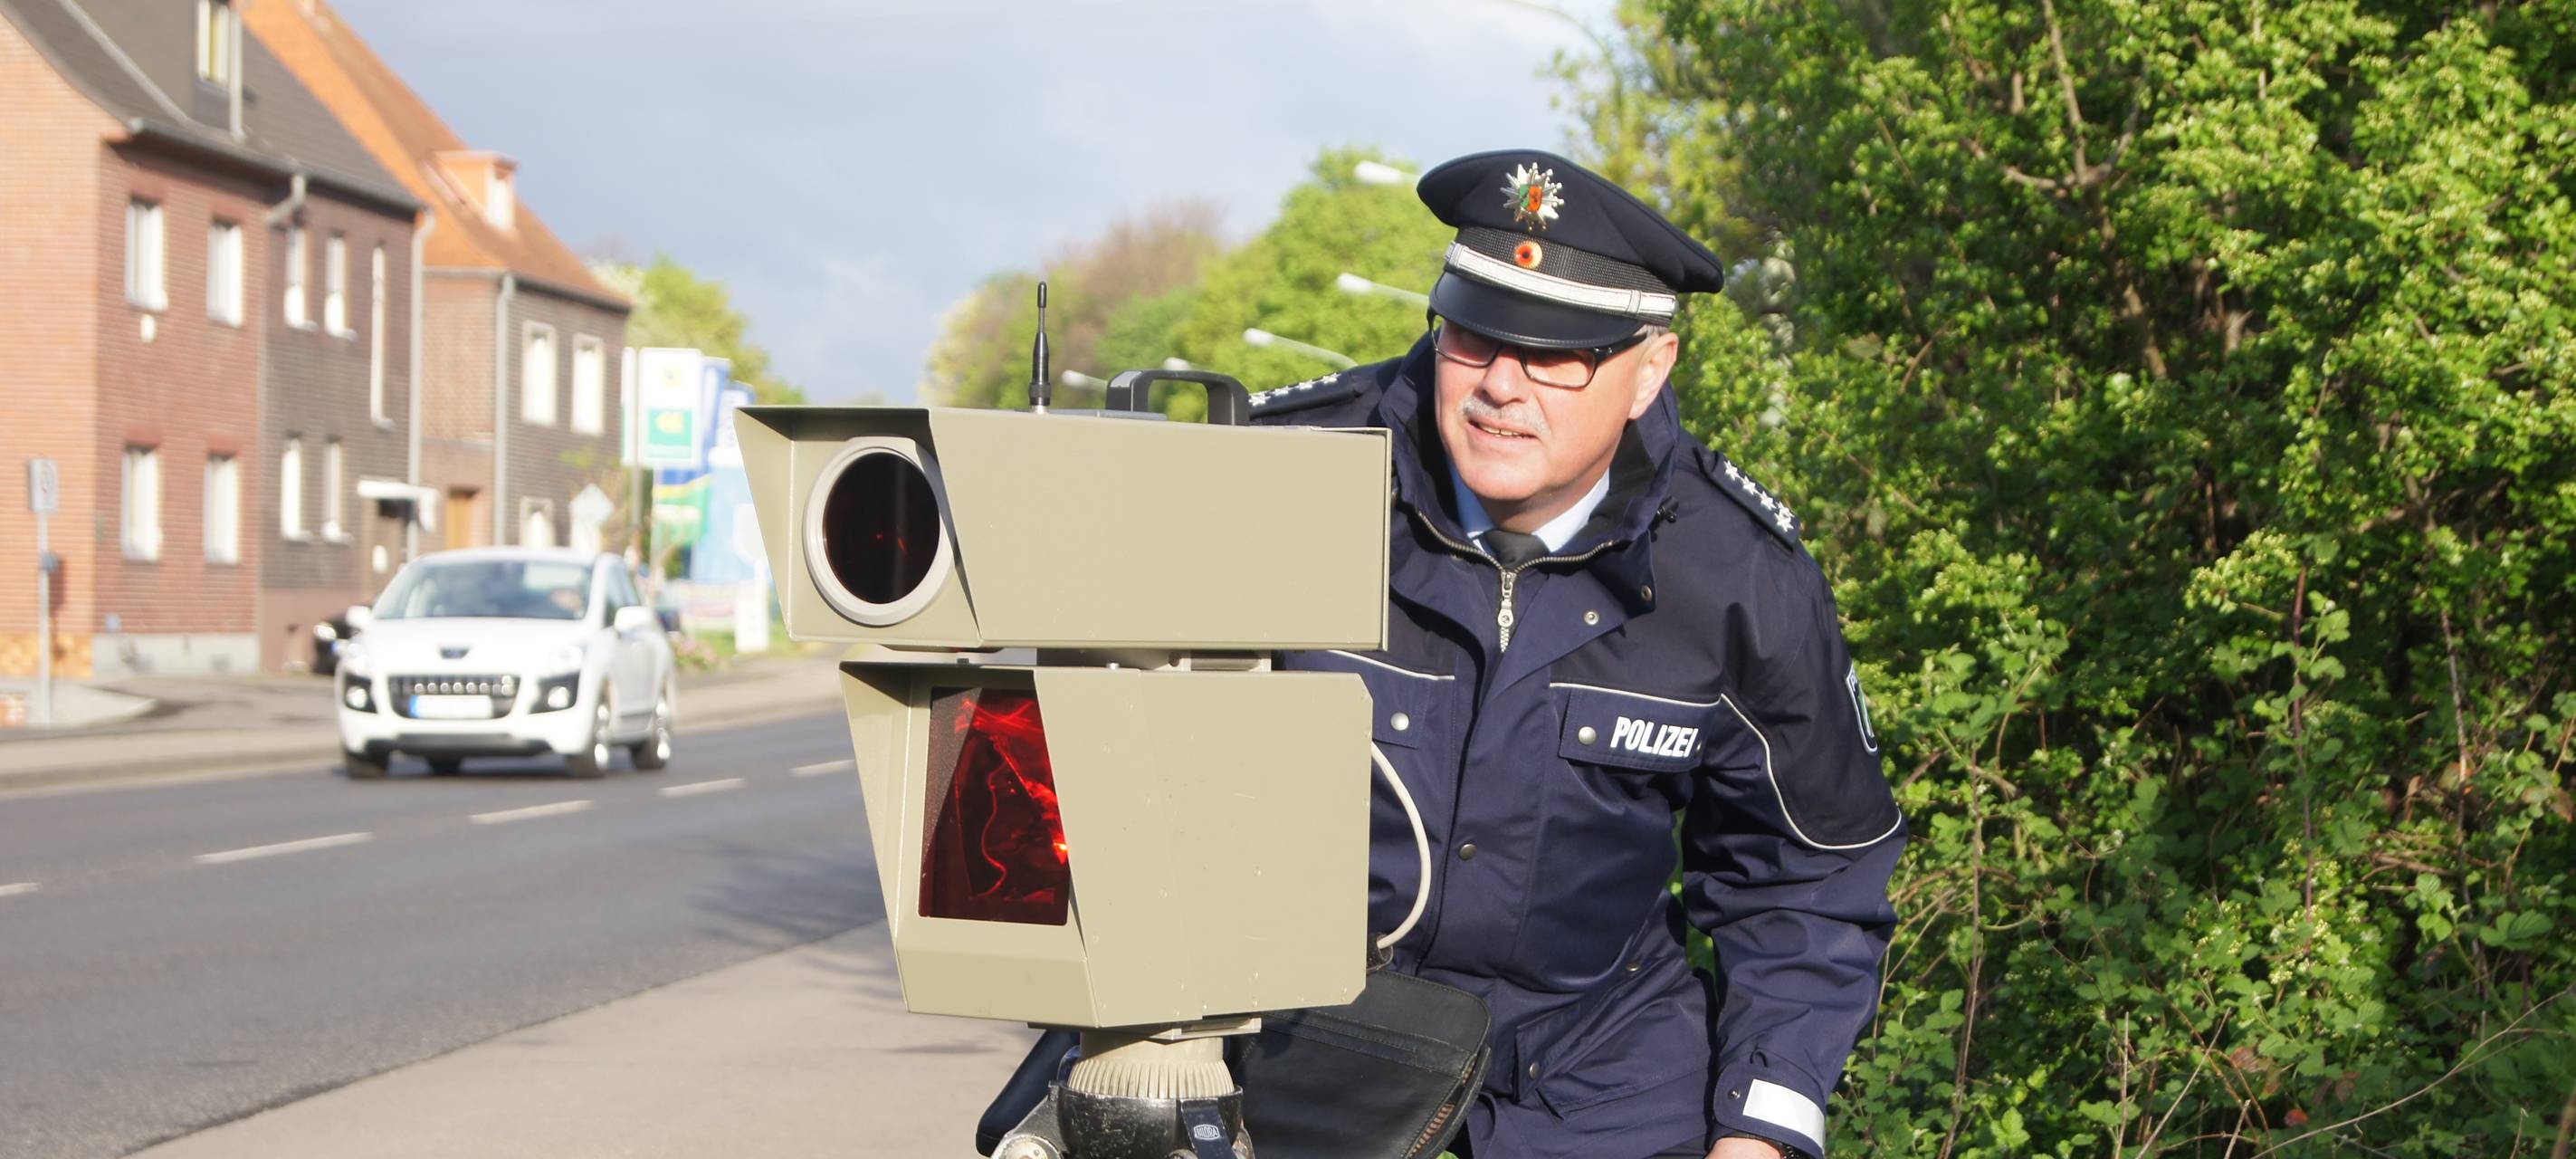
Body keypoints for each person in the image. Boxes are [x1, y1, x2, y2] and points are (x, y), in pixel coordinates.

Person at [1249, 149, 1905, 1159]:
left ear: (1649, 370)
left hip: (1600, 1097)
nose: (1499, 386)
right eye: (1471, 335)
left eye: (1555, 355)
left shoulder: (1733, 578)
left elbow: (1808, 873)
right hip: (1294, 1072)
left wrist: (1762, 1128)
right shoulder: (1282, 489)